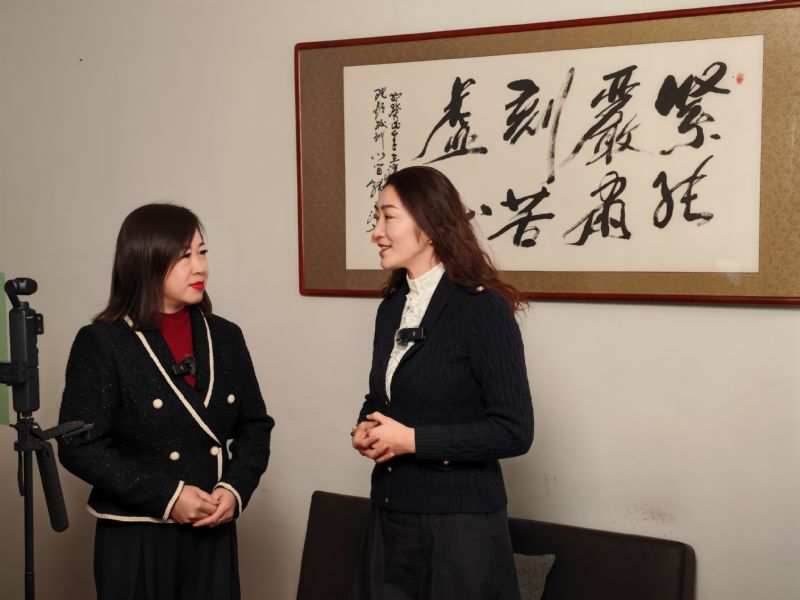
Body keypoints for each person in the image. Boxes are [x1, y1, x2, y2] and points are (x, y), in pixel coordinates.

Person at [58, 203, 274, 600]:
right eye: (184, 256)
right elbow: (78, 446)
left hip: (213, 528)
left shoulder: (226, 336)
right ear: (145, 261)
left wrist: (234, 489)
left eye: (202, 252)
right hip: (136, 535)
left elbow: (255, 426)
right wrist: (168, 496)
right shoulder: (102, 342)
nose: (200, 267)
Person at [350, 166, 534, 600]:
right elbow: (383, 397)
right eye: (376, 218)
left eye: (388, 217)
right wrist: (365, 428)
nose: (376, 233)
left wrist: (411, 440)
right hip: (392, 517)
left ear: (429, 225)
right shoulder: (391, 307)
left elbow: (514, 430)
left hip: (460, 530)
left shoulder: (482, 309)